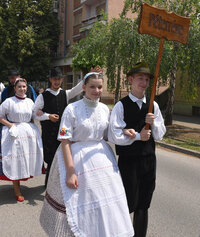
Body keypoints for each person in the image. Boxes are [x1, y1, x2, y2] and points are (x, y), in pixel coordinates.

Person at [40, 72, 134, 237]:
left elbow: (107, 134)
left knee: (102, 204)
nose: (96, 90)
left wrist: (124, 131)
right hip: (76, 160)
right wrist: (70, 171)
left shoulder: (105, 109)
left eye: (99, 87)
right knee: (79, 204)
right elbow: (65, 140)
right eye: (92, 86)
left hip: (102, 160)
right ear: (83, 87)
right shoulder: (72, 109)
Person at [108, 62, 166, 237]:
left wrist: (154, 122)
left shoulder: (152, 105)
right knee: (127, 203)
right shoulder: (121, 105)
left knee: (143, 204)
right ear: (131, 80)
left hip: (148, 160)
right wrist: (136, 137)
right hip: (129, 161)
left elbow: (160, 134)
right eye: (140, 78)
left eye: (147, 79)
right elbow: (113, 135)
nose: (144, 82)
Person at [0, 78, 43, 202]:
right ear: (15, 88)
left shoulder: (30, 101)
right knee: (16, 161)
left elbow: (34, 115)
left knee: (25, 160)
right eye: (19, 87)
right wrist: (10, 125)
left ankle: (21, 182)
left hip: (28, 134)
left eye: (24, 87)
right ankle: (17, 189)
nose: (22, 89)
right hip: (14, 135)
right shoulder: (9, 101)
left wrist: (46, 116)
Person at [33, 67, 83, 187]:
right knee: (51, 160)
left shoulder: (65, 94)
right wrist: (47, 116)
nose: (57, 81)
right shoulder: (43, 96)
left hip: (62, 134)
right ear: (50, 79)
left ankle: (61, 185)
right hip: (49, 134)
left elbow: (78, 89)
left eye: (59, 79)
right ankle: (49, 186)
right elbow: (34, 113)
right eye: (55, 79)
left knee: (63, 158)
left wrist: (90, 75)